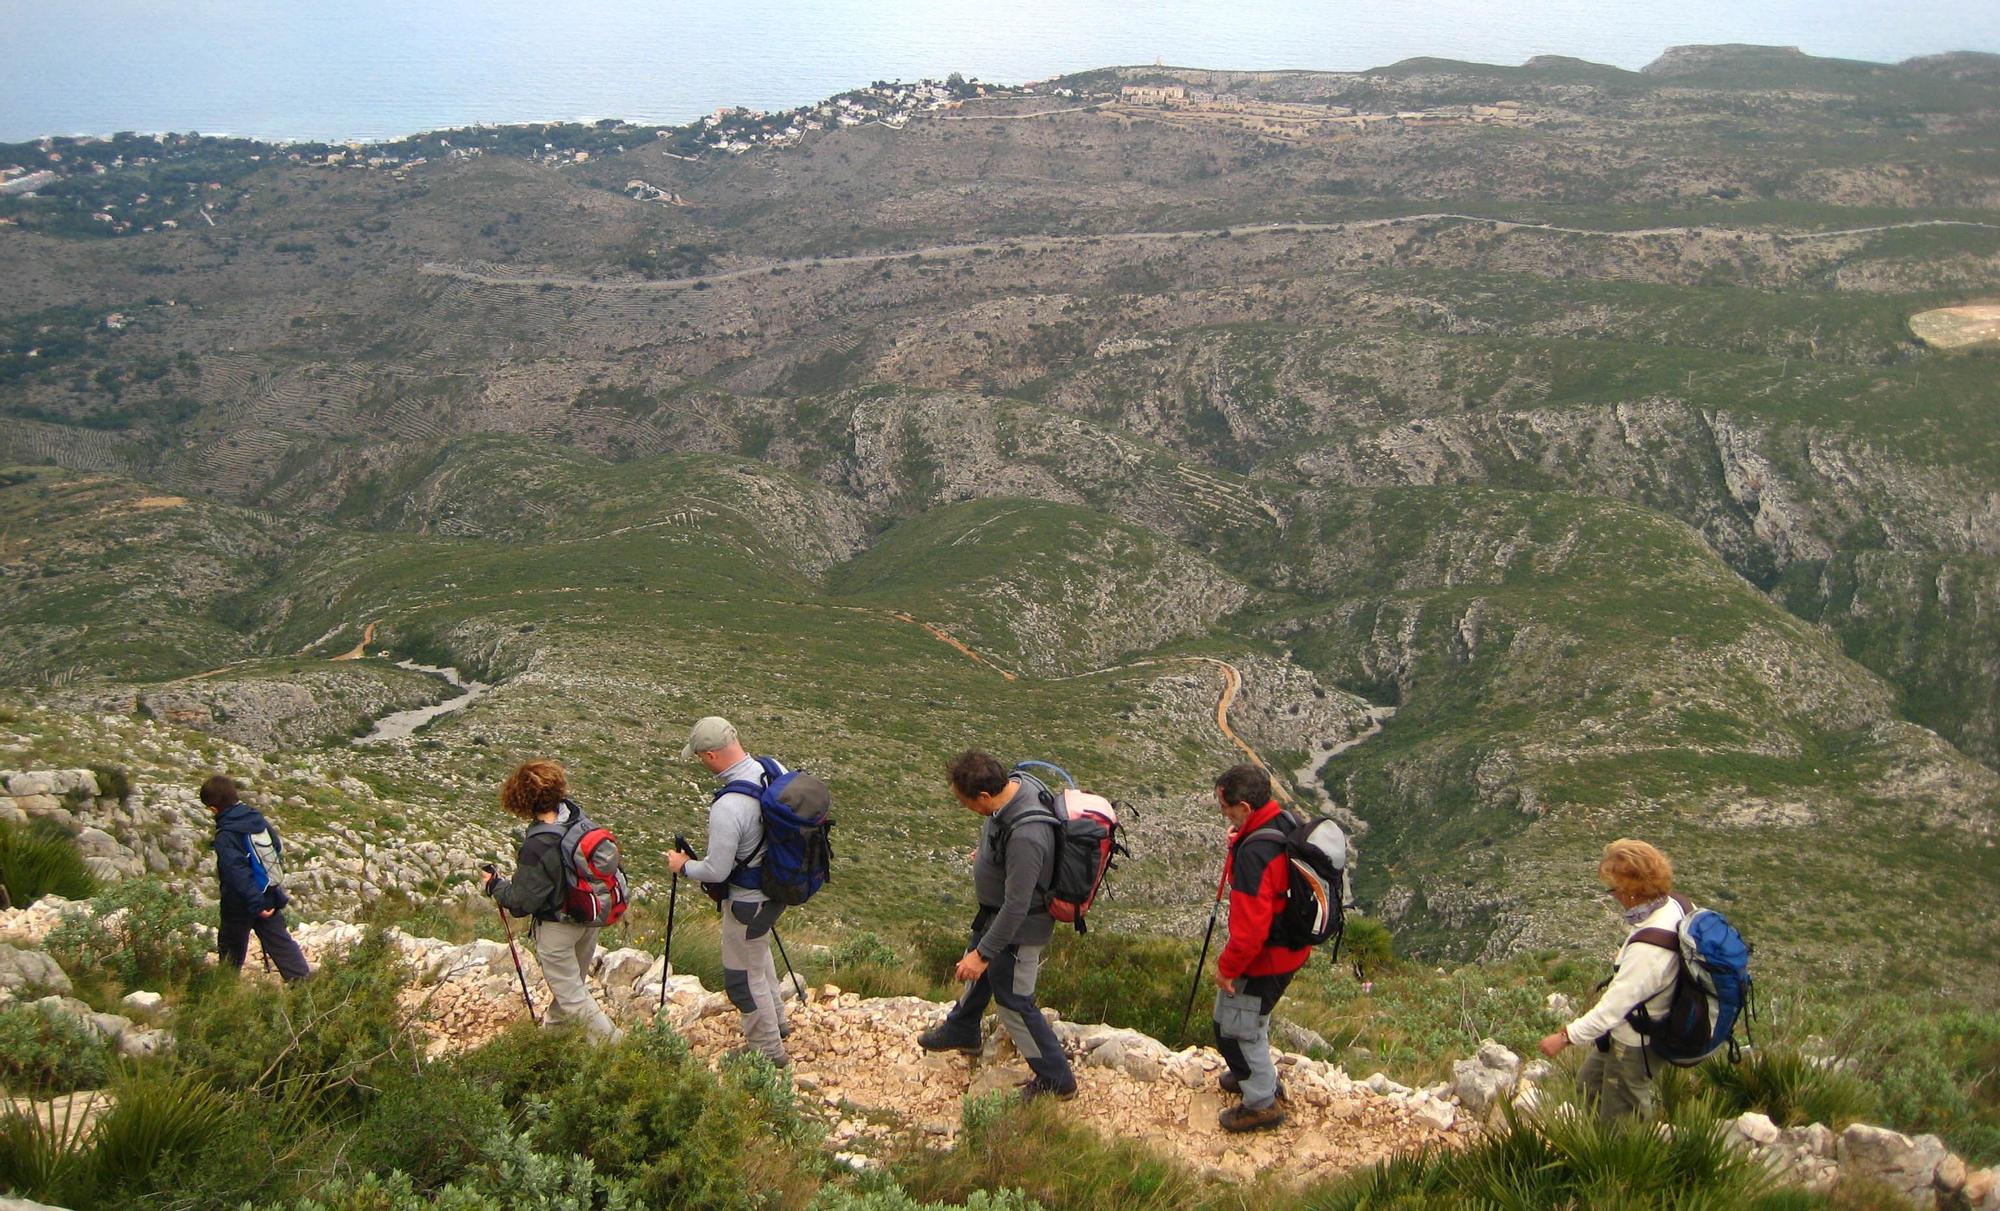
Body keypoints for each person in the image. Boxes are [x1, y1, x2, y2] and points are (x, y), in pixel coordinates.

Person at [916, 750, 1078, 1101]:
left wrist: (984, 954)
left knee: (1014, 1002)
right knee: (978, 966)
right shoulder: (1016, 785)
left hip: (1022, 928)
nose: (964, 807)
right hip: (994, 914)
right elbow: (1002, 839)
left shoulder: (1027, 836)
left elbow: (1017, 906)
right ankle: (963, 1028)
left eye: (965, 802)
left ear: (984, 795)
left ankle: (1057, 1079)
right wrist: (989, 856)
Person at [667, 716, 792, 1066]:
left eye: (699, 757)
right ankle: (777, 1023)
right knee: (759, 956)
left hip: (747, 902)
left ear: (710, 756)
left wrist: (683, 866)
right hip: (778, 890)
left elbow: (717, 871)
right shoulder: (772, 769)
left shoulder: (728, 806)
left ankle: (767, 1052)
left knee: (742, 979)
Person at [1538, 838, 1685, 1123]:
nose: (1614, 896)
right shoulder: (1673, 906)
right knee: (1588, 1086)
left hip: (1636, 1043)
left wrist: (1564, 1037)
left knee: (1623, 1115)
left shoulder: (1649, 951)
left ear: (1632, 892)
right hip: (1629, 1029)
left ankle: (1621, 1149)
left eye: (1615, 889)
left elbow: (1612, 1010)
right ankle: (1593, 1139)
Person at [481, 759, 623, 1043]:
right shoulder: (577, 818)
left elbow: (522, 903)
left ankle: (618, 1049)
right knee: (572, 987)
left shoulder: (538, 844)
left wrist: (494, 885)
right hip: (588, 918)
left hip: (557, 928)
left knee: (572, 996)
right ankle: (553, 1035)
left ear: (521, 800)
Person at [1210, 763, 1311, 1132]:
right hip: (1291, 948)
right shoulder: (1285, 821)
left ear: (1245, 808)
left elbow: (1250, 932)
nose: (1223, 813)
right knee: (1241, 1020)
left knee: (1237, 1029)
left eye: (1225, 807)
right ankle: (1250, 1075)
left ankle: (1261, 1103)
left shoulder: (1255, 855)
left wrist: (1227, 969)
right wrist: (1240, 839)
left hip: (1266, 958)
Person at [201, 774, 311, 982]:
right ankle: (304, 987)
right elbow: (276, 846)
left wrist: (255, 903)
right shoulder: (256, 818)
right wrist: (263, 898)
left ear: (214, 809)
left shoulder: (226, 835)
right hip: (268, 894)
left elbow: (236, 874)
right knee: (282, 945)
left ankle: (225, 989)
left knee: (230, 950)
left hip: (240, 903)